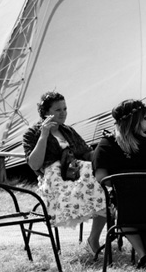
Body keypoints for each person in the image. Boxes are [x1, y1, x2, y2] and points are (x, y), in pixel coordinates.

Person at [91, 99, 146, 267]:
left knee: (124, 216)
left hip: (126, 206)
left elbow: (102, 178)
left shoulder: (106, 145)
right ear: (137, 120)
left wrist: (125, 184)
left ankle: (142, 255)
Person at [23, 90, 106, 257]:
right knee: (95, 183)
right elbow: (34, 164)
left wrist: (105, 148)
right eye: (58, 110)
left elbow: (86, 153)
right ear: (46, 113)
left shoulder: (67, 131)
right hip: (53, 178)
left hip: (75, 172)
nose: (63, 113)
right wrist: (44, 136)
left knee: (102, 181)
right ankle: (91, 232)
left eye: (65, 109)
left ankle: (93, 239)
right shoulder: (32, 133)